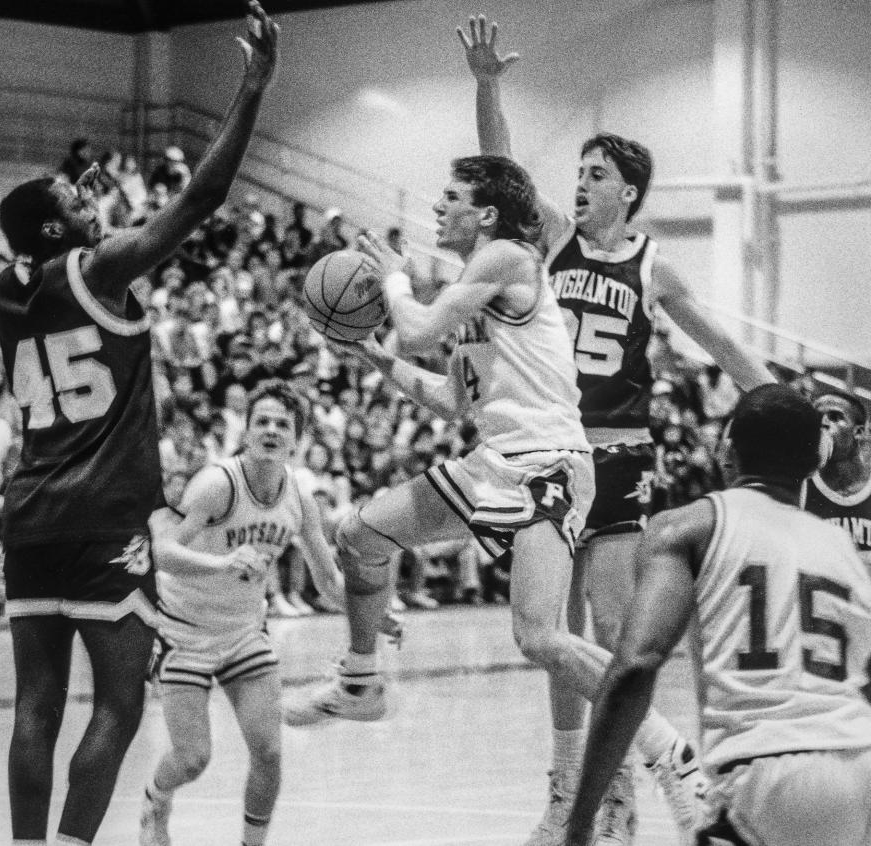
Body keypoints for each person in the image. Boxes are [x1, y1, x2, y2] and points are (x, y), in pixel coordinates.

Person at [285, 155, 690, 843]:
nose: (438, 210)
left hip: (551, 463)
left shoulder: (506, 257)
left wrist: (390, 275)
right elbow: (449, 402)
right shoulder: (474, 298)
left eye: (452, 199)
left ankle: (665, 750)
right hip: (494, 461)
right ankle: (361, 682)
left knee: (540, 637)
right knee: (361, 534)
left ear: (488, 214)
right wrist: (375, 358)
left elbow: (416, 327)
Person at [459, 16, 776, 841]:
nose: (580, 183)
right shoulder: (552, 244)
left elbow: (722, 344)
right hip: (548, 456)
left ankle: (639, 782)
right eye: (579, 172)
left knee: (612, 630)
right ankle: (578, 792)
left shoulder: (650, 265)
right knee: (554, 639)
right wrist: (489, 85)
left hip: (621, 458)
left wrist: (786, 401)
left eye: (595, 174)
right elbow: (504, 173)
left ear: (628, 191)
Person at [0, 6, 278, 845]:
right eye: (75, 200)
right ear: (59, 231)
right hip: (104, 518)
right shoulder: (98, 268)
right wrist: (252, 88)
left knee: (35, 704)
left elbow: (33, 242)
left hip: (30, 516)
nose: (90, 200)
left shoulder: (8, 291)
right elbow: (203, 197)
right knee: (118, 702)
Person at [565, 384, 871, 846]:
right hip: (858, 769)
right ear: (813, 462)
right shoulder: (841, 549)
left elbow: (636, 664)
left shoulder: (688, 526)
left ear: (727, 449)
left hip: (766, 770)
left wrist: (580, 820)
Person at [139, 380, 348, 846]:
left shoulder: (298, 496)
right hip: (182, 629)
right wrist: (222, 562)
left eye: (283, 424)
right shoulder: (217, 484)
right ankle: (156, 797)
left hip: (243, 632)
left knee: (270, 751)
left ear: (298, 438)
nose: (272, 430)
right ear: (247, 430)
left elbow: (328, 580)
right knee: (192, 759)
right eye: (263, 421)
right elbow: (163, 552)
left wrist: (370, 618)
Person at [802, 389, 871, 567]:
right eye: (817, 418)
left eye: (834, 417)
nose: (823, 423)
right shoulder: (800, 486)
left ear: (859, 432)